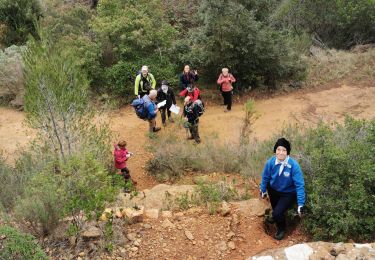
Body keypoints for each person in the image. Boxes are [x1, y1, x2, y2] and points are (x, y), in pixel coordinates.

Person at [259, 138, 306, 240]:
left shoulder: (294, 166)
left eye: (284, 150)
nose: (281, 152)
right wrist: (262, 189)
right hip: (274, 190)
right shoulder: (270, 163)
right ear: (275, 150)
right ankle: (276, 216)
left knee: (277, 213)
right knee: (276, 209)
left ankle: (281, 228)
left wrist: (301, 204)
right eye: (278, 149)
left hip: (288, 193)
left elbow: (300, 185)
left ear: (287, 152)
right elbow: (265, 177)